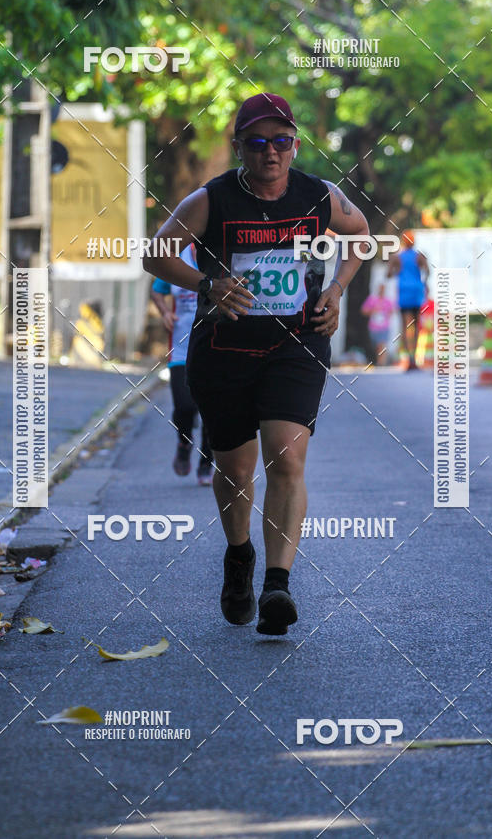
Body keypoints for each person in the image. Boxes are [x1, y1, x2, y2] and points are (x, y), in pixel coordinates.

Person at [144, 92, 368, 635]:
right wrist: (208, 285)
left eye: (282, 141)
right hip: (224, 352)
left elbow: (361, 236)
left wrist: (336, 289)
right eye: (259, 142)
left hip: (297, 343)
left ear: (295, 146)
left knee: (287, 462)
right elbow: (155, 252)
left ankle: (277, 585)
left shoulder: (321, 196)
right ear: (240, 147)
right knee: (235, 471)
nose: (271, 152)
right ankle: (239, 555)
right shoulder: (211, 200)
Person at [150, 243, 214, 485]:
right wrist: (165, 312)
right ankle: (184, 443)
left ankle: (207, 462)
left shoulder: (221, 252)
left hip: (215, 348)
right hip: (181, 348)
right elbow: (157, 289)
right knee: (184, 406)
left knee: (212, 412)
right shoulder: (177, 258)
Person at [387, 230, 429, 370]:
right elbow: (427, 272)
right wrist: (424, 283)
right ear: (413, 242)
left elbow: (388, 274)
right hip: (416, 292)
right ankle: (413, 358)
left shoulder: (397, 257)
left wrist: (397, 270)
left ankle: (407, 359)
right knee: (416, 326)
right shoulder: (419, 256)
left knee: (405, 326)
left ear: (403, 242)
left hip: (404, 292)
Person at [360, 283, 395, 364]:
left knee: (381, 345)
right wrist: (373, 311)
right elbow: (363, 310)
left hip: (384, 327)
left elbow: (392, 311)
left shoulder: (387, 301)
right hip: (373, 327)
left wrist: (386, 313)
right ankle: (378, 361)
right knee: (376, 347)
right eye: (380, 288)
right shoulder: (372, 299)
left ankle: (381, 363)